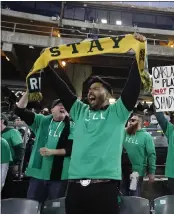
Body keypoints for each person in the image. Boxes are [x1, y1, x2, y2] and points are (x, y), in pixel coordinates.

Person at [44, 34, 145, 214]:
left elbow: (133, 86)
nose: (90, 92)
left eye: (96, 88)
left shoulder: (117, 112)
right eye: (89, 89)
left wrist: (139, 51)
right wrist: (47, 67)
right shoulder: (79, 111)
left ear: (108, 94)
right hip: (75, 187)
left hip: (104, 188)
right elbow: (62, 90)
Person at [15, 94, 74, 203]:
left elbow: (71, 150)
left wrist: (52, 152)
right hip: (37, 174)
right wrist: (28, 92)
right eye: (59, 105)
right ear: (52, 110)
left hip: (59, 176)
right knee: (32, 205)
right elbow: (19, 110)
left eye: (65, 106)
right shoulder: (41, 121)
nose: (63, 106)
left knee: (54, 208)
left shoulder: (73, 126)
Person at [121, 114, 156, 196]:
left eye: (133, 120)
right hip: (122, 171)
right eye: (129, 120)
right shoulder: (123, 132)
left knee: (134, 196)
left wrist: (151, 172)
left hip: (136, 172)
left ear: (140, 122)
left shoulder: (146, 136)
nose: (130, 122)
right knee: (123, 195)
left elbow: (151, 154)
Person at [1, 114, 24, 198]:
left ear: (2, 121)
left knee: (6, 186)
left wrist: (16, 162)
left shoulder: (12, 132)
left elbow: (19, 148)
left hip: (8, 164)